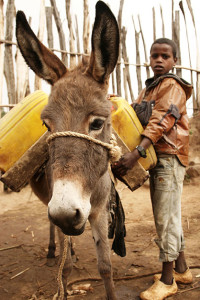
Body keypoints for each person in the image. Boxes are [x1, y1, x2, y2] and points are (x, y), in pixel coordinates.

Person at [111, 38, 193, 300]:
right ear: (149, 59)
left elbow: (162, 120)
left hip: (168, 157)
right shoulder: (150, 89)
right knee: (170, 214)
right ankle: (181, 270)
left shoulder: (172, 85)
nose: (159, 60)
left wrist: (137, 152)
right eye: (155, 55)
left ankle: (168, 281)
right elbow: (136, 116)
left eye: (165, 56)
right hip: (159, 158)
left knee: (165, 218)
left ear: (174, 61)